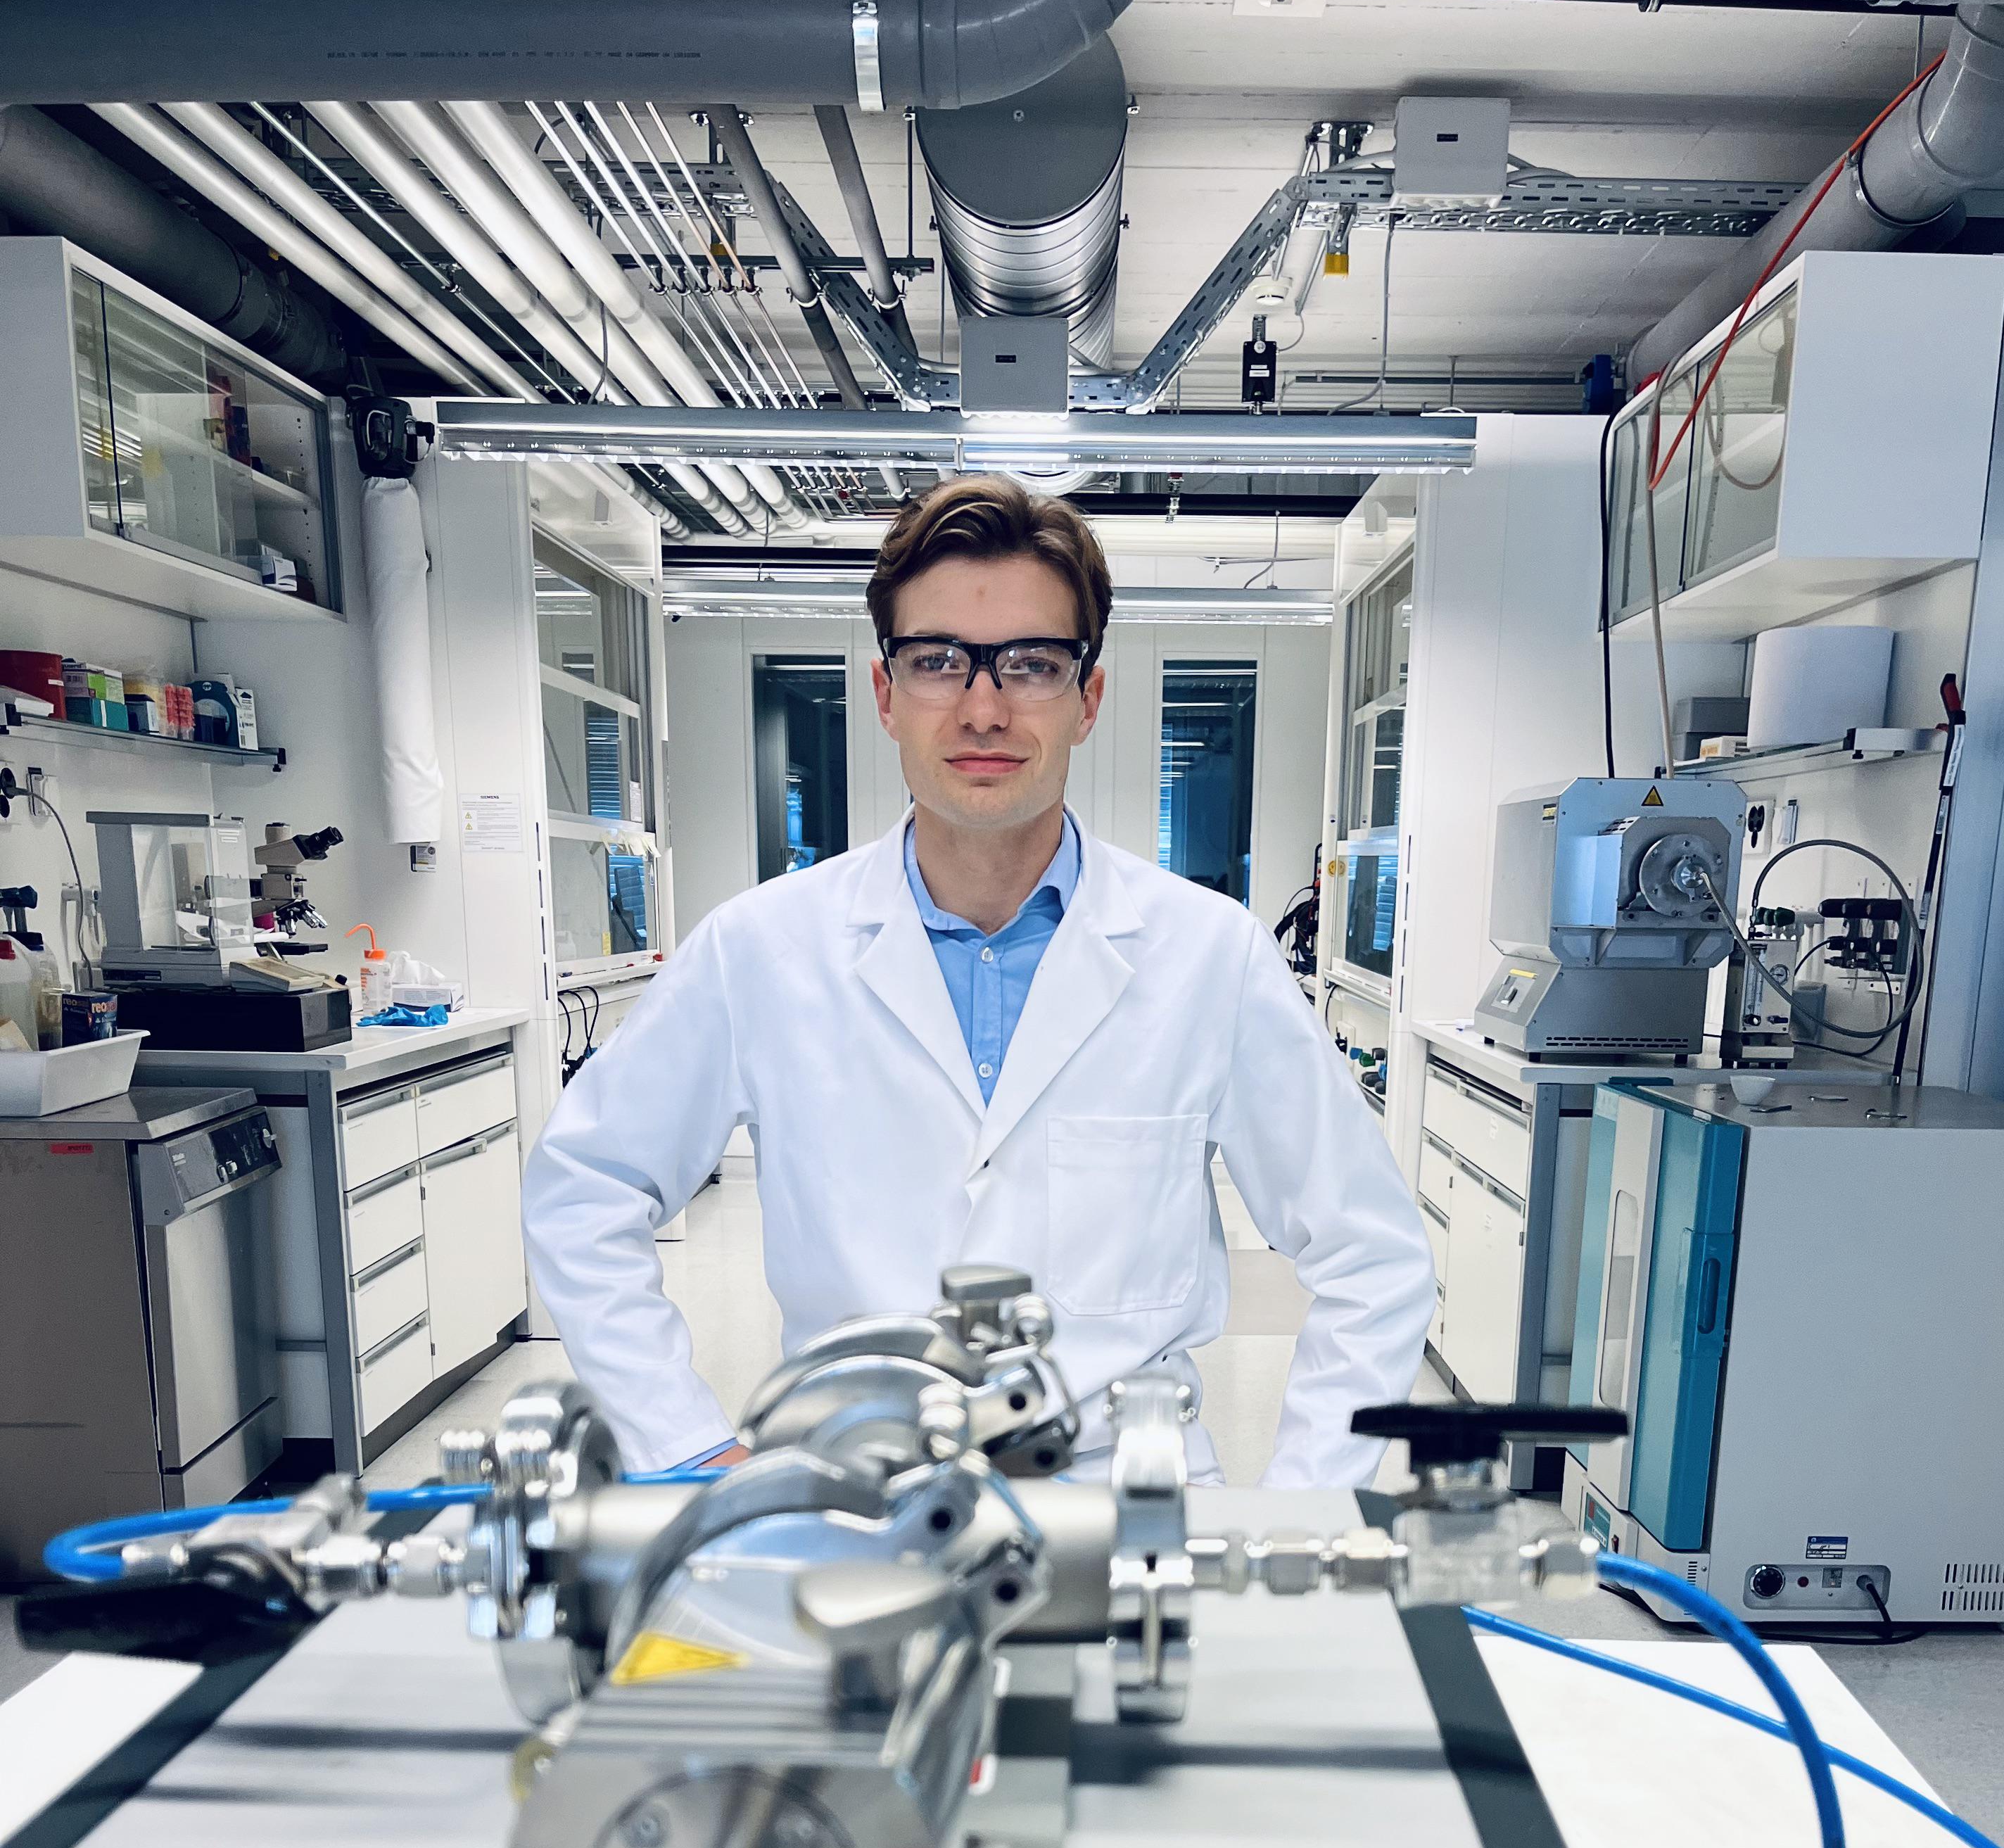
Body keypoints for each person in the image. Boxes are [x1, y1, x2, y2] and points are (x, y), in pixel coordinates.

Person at [521, 474, 1435, 1485]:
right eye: (939, 661)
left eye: (1034, 665)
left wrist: (1305, 1508)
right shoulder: (759, 951)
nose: (984, 707)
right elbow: (587, 1188)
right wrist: (683, 1446)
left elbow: (1372, 1258)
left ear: (1088, 699)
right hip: (851, 1504)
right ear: (885, 695)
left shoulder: (1209, 958)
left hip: (1126, 1506)